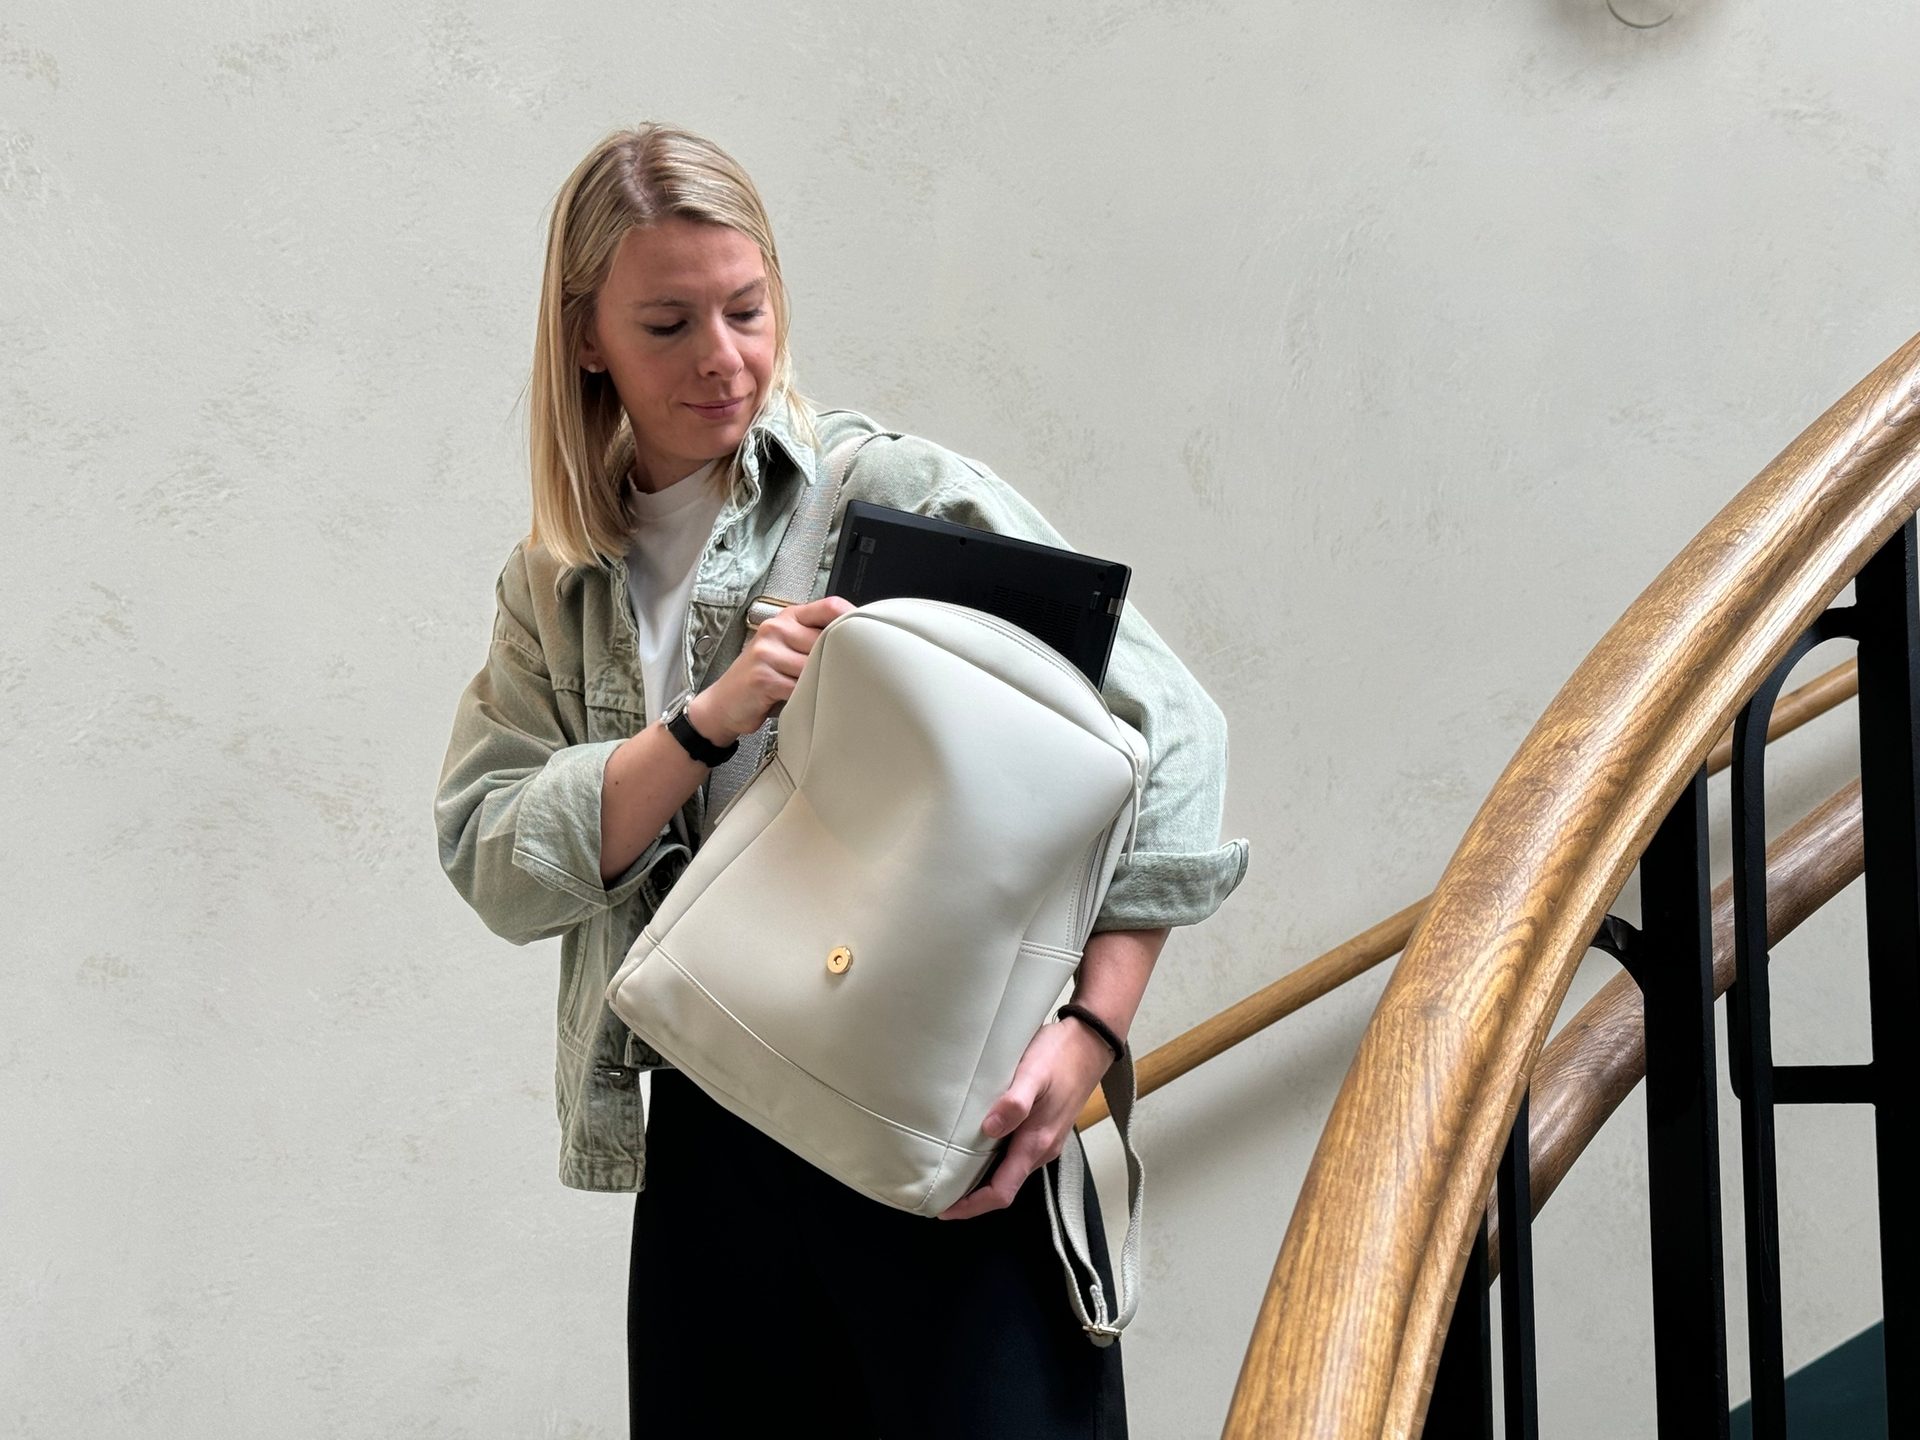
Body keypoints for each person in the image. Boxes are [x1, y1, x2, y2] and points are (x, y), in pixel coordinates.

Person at [434, 123, 1250, 1438]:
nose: (723, 358)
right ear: (586, 338)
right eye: (668, 324)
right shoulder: (557, 584)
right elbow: (492, 855)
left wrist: (1089, 1033)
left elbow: (1174, 736)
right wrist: (705, 721)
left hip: (939, 1106)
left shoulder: (897, 496)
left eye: (747, 310)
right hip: (711, 1128)